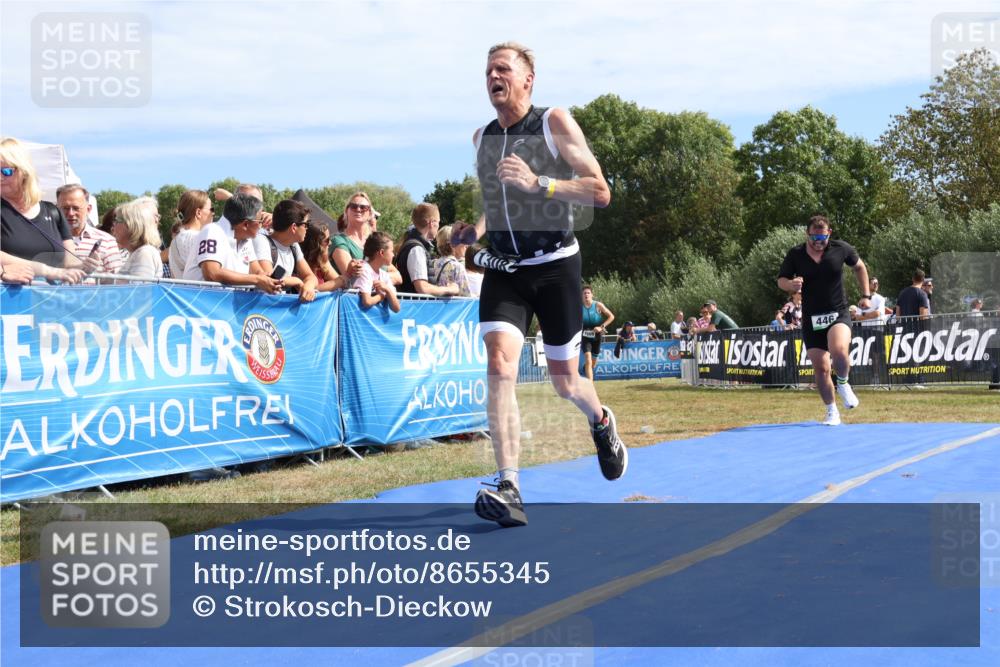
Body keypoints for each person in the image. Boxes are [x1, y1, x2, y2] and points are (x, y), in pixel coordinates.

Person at [470, 42, 624, 528]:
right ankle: (509, 484)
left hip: (556, 266)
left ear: (527, 79)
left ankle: (601, 422)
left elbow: (600, 192)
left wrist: (541, 183)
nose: (494, 76)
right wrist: (471, 231)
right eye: (488, 70)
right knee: (499, 363)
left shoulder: (553, 122)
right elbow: (498, 204)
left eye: (503, 69)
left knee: (565, 382)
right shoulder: (482, 138)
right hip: (505, 271)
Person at [778, 215, 871, 426]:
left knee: (838, 350)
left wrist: (866, 295)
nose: (818, 242)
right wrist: (790, 285)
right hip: (812, 318)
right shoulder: (796, 254)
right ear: (807, 234)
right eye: (814, 237)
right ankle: (831, 411)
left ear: (829, 233)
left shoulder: (841, 249)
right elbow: (781, 280)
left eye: (823, 237)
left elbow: (860, 267)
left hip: (837, 312)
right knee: (821, 368)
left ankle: (844, 383)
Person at [182, 192, 281, 294]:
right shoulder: (212, 231)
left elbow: (258, 272)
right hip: (200, 304)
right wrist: (257, 280)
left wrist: (272, 280)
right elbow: (212, 274)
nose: (262, 225)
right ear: (246, 224)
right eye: (260, 220)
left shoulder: (246, 239)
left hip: (224, 305)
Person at [56, 184, 122, 278]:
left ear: (88, 209)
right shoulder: (46, 238)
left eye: (76, 208)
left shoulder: (106, 241)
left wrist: (96, 275)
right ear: (57, 209)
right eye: (65, 208)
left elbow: (117, 281)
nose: (70, 213)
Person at [396, 203, 460, 296]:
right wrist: (449, 289)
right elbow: (422, 288)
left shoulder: (411, 244)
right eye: (438, 222)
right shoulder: (416, 249)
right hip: (416, 308)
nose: (438, 226)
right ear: (431, 223)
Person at [265, 199, 319, 303]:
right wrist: (297, 281)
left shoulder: (294, 246)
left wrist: (308, 286)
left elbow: (311, 276)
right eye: (306, 224)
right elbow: (269, 281)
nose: (307, 228)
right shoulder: (263, 242)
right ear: (294, 227)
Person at [112, 199, 164, 280]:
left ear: (131, 224)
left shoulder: (145, 253)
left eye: (117, 221)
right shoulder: (139, 252)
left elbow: (139, 289)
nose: (113, 226)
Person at [168, 189, 213, 279]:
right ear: (198, 213)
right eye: (211, 209)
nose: (213, 213)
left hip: (181, 292)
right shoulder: (199, 238)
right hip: (203, 292)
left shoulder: (175, 241)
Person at [355, 231, 400, 313]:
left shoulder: (384, 275)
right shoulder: (364, 269)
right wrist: (381, 296)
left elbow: (396, 308)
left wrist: (387, 290)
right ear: (382, 252)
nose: (393, 255)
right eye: (391, 251)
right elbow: (367, 301)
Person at [301, 219, 350, 291]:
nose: (330, 243)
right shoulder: (300, 262)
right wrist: (342, 278)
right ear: (315, 245)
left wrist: (346, 275)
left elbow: (343, 284)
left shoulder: (322, 262)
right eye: (326, 240)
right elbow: (312, 290)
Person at [579, 285, 614, 381]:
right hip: (585, 337)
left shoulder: (598, 305)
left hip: (597, 337)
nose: (586, 295)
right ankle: (590, 386)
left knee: (593, 363)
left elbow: (611, 316)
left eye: (588, 293)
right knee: (588, 359)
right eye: (584, 293)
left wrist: (601, 327)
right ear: (581, 296)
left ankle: (585, 369)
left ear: (592, 295)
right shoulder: (578, 307)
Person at [431, 224, 472, 296]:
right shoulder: (457, 267)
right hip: (454, 307)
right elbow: (466, 296)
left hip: (436, 306)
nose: (466, 245)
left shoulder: (433, 263)